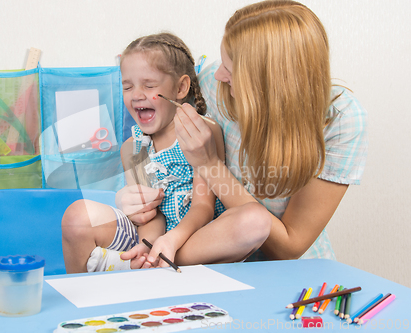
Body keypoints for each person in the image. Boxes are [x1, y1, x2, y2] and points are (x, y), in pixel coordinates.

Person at [116, 0, 368, 262]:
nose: (217, 75)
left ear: (268, 80)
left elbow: (289, 247)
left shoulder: (341, 120)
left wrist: (210, 164)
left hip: (289, 271)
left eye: (230, 69)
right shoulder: (214, 87)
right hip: (216, 260)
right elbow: (155, 146)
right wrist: (134, 201)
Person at [61, 33, 272, 273]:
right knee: (76, 217)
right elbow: (148, 214)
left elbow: (203, 206)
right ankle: (145, 264)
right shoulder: (133, 148)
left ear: (181, 87)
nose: (137, 94)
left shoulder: (201, 132)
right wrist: (146, 245)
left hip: (195, 237)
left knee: (255, 220)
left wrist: (171, 241)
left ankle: (150, 266)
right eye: (127, 86)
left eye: (149, 85)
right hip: (151, 237)